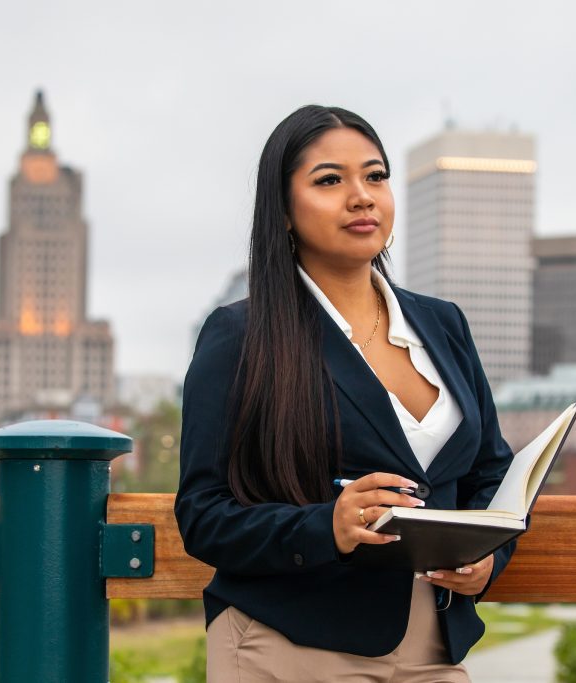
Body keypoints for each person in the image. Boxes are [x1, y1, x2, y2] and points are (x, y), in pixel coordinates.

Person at [175, 104, 517, 682]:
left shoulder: (443, 324)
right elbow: (202, 515)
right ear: (283, 211)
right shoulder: (241, 335)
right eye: (330, 180)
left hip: (432, 645)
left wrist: (487, 560)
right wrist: (326, 527)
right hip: (288, 645)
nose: (361, 196)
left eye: (375, 176)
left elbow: (492, 474)